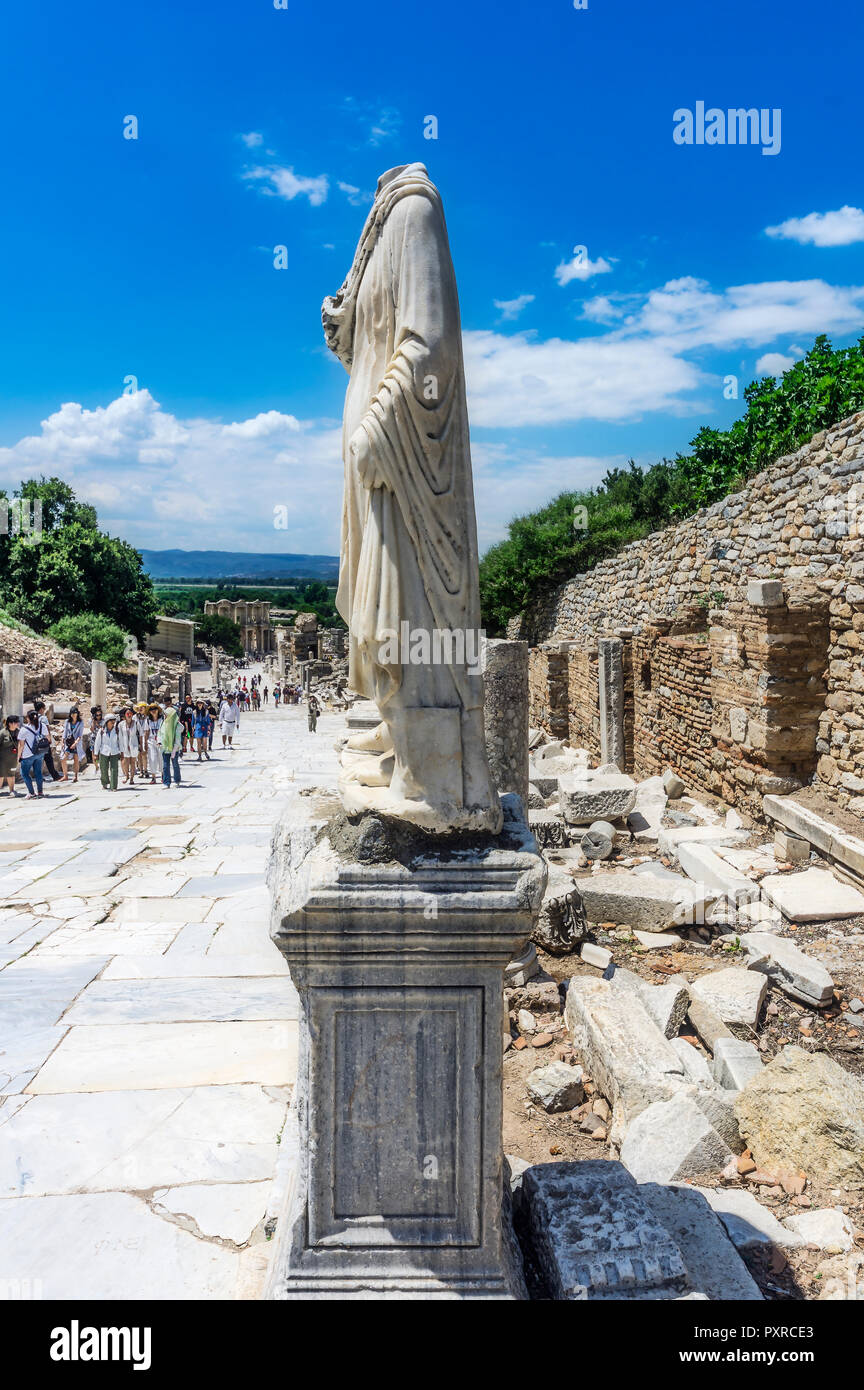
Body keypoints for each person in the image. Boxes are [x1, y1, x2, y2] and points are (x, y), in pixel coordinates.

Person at [17, 710, 48, 798]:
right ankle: (40, 792)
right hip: (40, 753)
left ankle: (31, 792)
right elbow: (48, 738)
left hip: (27, 755)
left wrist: (19, 756)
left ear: (27, 718)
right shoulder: (43, 726)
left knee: (24, 773)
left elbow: (21, 745)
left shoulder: (24, 729)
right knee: (38, 773)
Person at [33, 701, 60, 783]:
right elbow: (47, 729)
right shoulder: (43, 718)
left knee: (37, 760)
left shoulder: (33, 717)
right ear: (41, 709)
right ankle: (55, 776)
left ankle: (38, 776)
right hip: (44, 741)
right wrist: (49, 740)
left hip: (36, 741)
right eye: (44, 708)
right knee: (48, 759)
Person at [93, 714, 121, 791]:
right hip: (103, 752)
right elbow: (97, 742)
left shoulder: (116, 730)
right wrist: (95, 754)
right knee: (103, 769)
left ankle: (113, 786)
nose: (113, 722)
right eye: (111, 720)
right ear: (107, 721)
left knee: (114, 769)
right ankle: (105, 783)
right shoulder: (101, 731)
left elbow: (120, 742)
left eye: (114, 720)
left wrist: (122, 752)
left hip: (114, 752)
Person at [59, 706, 85, 783]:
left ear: (77, 714)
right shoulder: (67, 721)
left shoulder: (80, 722)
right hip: (68, 742)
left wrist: (75, 743)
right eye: (72, 713)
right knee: (63, 758)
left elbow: (80, 735)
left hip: (76, 743)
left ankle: (75, 776)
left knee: (76, 759)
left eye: (75, 713)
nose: (73, 715)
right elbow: (65, 732)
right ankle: (65, 775)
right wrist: (62, 741)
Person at [159, 706, 183, 788]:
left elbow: (178, 739)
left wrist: (174, 750)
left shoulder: (177, 726)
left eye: (166, 714)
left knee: (175, 764)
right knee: (165, 766)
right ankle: (166, 782)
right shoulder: (163, 723)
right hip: (165, 748)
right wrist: (159, 742)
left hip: (174, 749)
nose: (165, 716)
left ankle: (177, 780)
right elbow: (160, 733)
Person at [118, 708, 139, 785]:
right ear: (125, 715)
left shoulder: (136, 723)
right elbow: (120, 736)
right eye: (127, 714)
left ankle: (132, 778)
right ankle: (127, 776)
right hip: (125, 744)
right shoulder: (121, 724)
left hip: (134, 744)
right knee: (126, 761)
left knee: (133, 762)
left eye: (130, 713)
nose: (129, 715)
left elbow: (140, 734)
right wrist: (121, 748)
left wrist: (142, 745)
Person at [1, 715, 20, 796]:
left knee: (11, 774)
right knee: (0, 774)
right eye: (15, 722)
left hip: (13, 758)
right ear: (10, 723)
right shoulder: (2, 733)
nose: (16, 724)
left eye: (17, 722)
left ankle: (11, 790)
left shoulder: (19, 732)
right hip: (2, 758)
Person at [145, 704, 163, 784]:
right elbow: (146, 732)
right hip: (151, 741)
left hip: (161, 741)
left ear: (158, 710)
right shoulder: (148, 720)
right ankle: (153, 777)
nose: (153, 710)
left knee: (161, 758)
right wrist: (145, 743)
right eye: (151, 709)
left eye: (155, 709)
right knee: (152, 759)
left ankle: (163, 776)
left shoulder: (162, 719)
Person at [134, 703, 149, 778]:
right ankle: (141, 771)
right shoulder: (135, 717)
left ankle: (145, 770)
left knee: (144, 754)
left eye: (142, 707)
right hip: (137, 736)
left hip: (146, 736)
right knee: (139, 754)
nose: (140, 709)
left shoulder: (148, 717)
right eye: (139, 708)